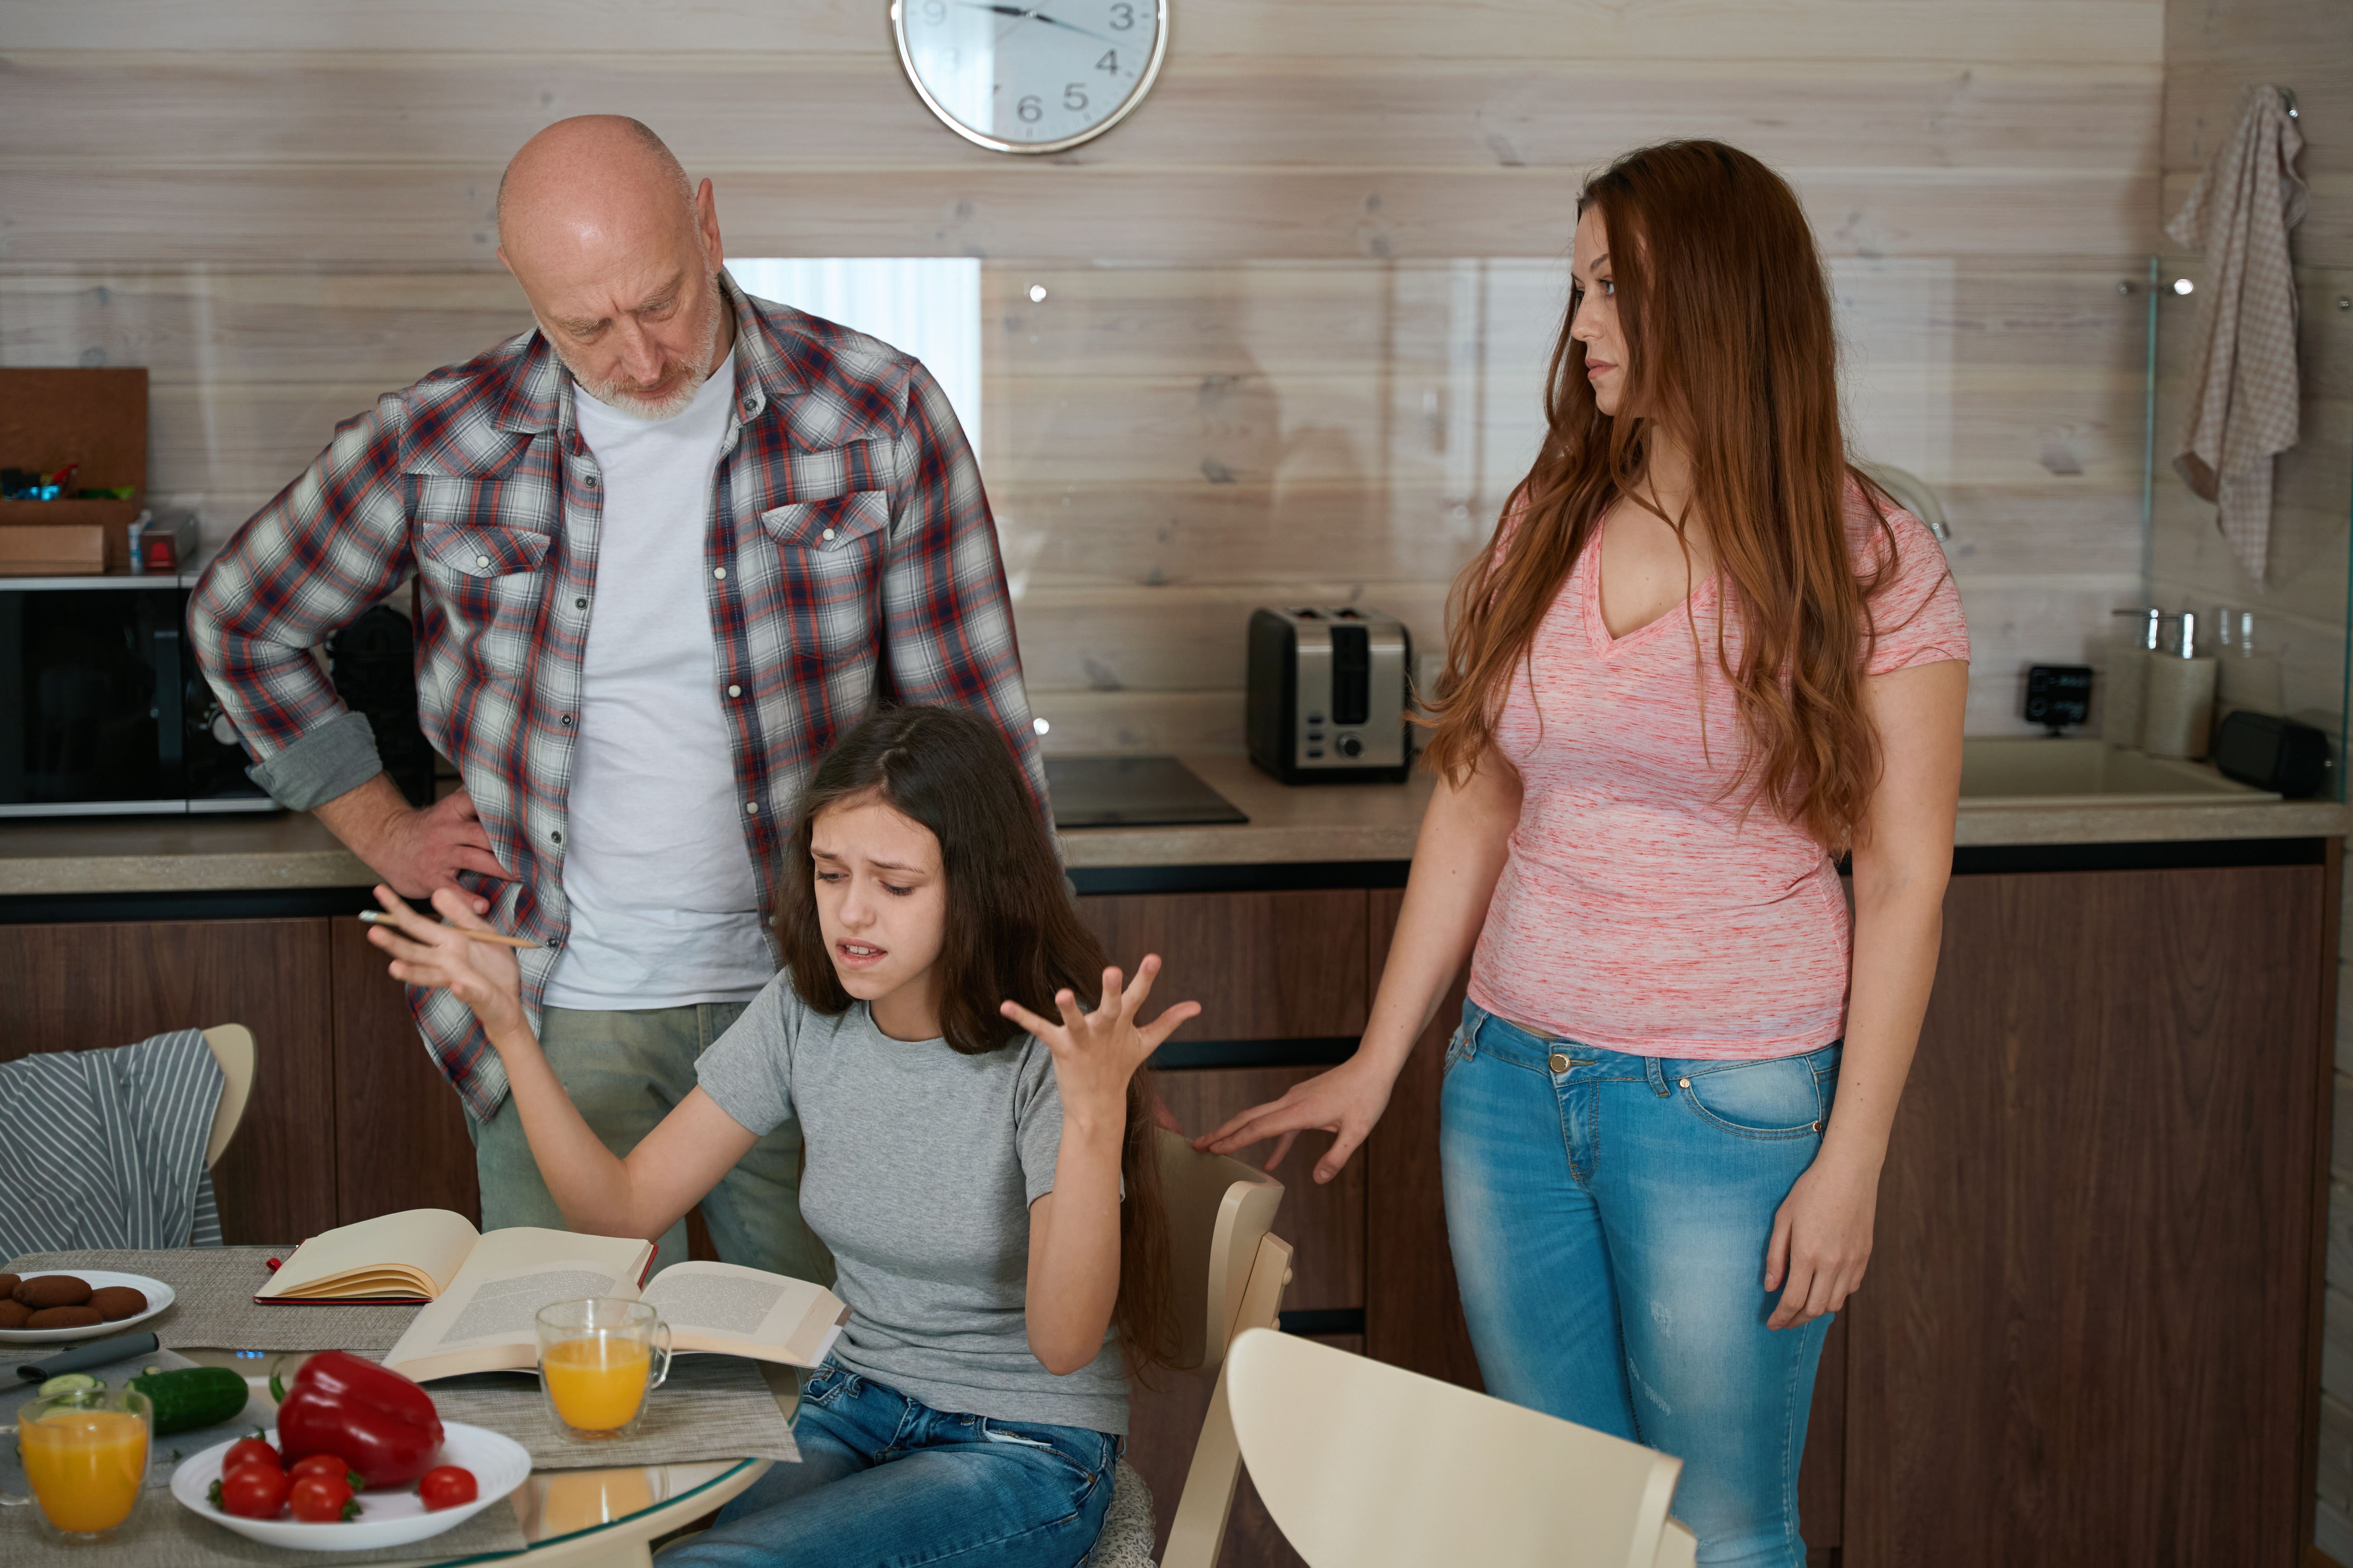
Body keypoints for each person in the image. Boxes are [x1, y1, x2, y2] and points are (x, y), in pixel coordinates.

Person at [1199, 140, 1969, 1567]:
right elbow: (1478, 794)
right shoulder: (1545, 517)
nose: (1583, 326)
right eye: (1578, 289)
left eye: (1612, 287)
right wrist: (1383, 1052)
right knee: (1564, 1512)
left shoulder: (1872, 557)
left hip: (1725, 1105)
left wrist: (1851, 1157)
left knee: (1719, 1521)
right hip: (1505, 1085)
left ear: (1719, 299)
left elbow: (1908, 874)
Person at [188, 117, 1044, 1283]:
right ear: (523, 286)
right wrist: (383, 827)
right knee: (567, 1387)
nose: (641, 358)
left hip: (825, 1008)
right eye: (587, 326)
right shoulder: (440, 442)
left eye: (663, 303)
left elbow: (980, 750)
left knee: (822, 1395)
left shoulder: (878, 415)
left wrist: (1029, 1044)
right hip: (550, 1010)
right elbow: (239, 617)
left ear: (707, 220)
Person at [364, 704, 1188, 1568]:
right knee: (590, 1542)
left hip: (1023, 1445)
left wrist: (1095, 1117)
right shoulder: (804, 1011)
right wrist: (508, 1027)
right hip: (853, 1400)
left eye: (895, 885)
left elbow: (1063, 1346)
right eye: (831, 874)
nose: (853, 915)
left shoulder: (1053, 1054)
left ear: (976, 884)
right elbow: (623, 1209)